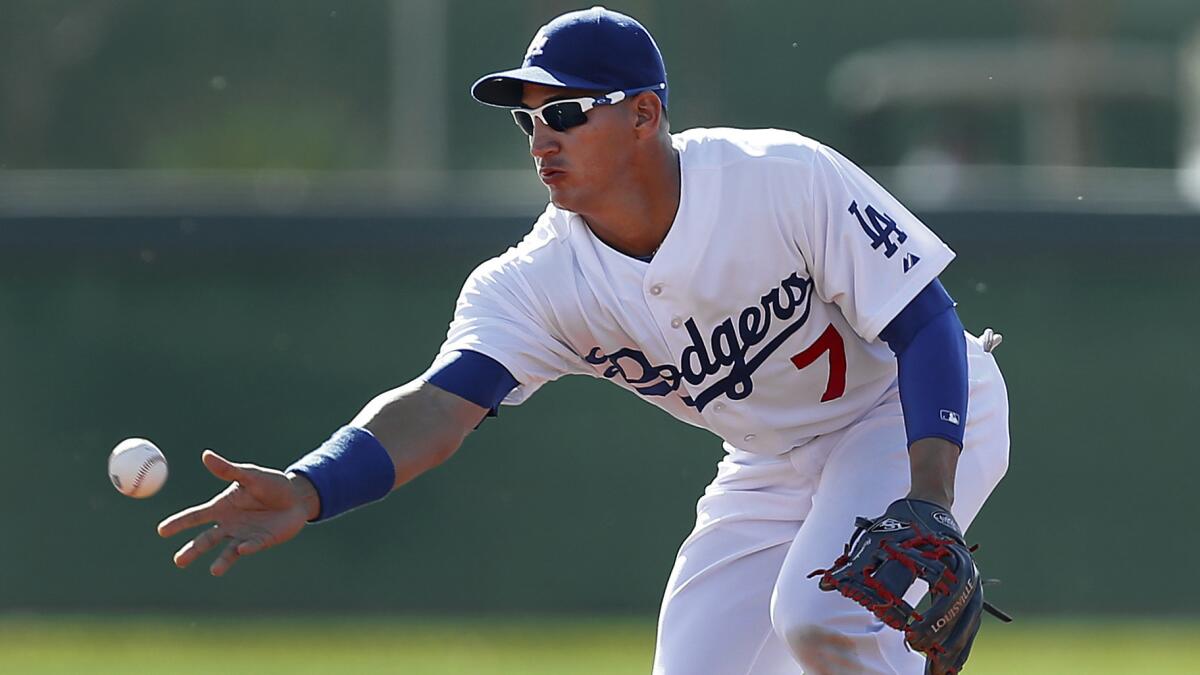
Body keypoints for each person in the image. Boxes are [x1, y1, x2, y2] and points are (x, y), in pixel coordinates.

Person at [158, 7, 1010, 674]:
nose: (543, 137)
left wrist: (928, 495)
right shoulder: (537, 281)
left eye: (565, 111)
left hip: (907, 411)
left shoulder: (776, 176)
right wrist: (313, 485)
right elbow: (436, 408)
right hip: (772, 458)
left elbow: (923, 319)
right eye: (528, 120)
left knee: (818, 618)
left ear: (645, 115)